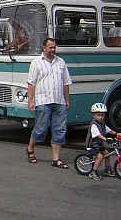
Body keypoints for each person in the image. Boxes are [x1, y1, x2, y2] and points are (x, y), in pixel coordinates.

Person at [25, 38, 72, 168]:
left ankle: (56, 159)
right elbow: (31, 83)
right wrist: (30, 101)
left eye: (54, 48)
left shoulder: (61, 62)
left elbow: (66, 82)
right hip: (43, 101)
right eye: (50, 47)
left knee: (59, 130)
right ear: (43, 48)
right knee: (41, 129)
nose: (53, 50)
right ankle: (30, 149)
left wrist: (67, 99)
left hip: (59, 100)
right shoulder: (36, 63)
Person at [85, 103, 119, 181]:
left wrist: (116, 133)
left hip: (99, 145)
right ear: (94, 115)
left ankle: (107, 169)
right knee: (100, 157)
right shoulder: (94, 125)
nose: (101, 117)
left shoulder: (102, 124)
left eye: (102, 115)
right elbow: (98, 135)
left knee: (107, 154)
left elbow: (108, 130)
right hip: (92, 146)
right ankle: (93, 172)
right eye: (98, 115)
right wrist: (106, 139)